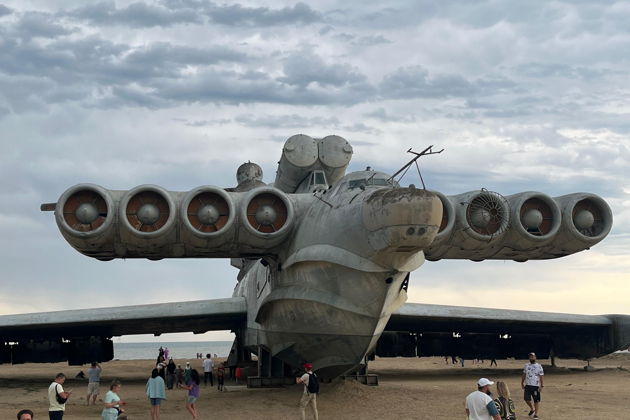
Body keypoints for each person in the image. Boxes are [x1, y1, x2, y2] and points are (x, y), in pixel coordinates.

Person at [521, 352, 544, 419]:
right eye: (530, 357)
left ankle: (536, 414)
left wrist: (541, 386)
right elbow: (524, 374)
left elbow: (541, 376)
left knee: (536, 400)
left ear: (535, 357)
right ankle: (532, 408)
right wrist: (522, 383)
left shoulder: (539, 366)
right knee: (526, 399)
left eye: (533, 356)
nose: (531, 358)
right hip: (527, 385)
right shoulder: (526, 365)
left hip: (535, 386)